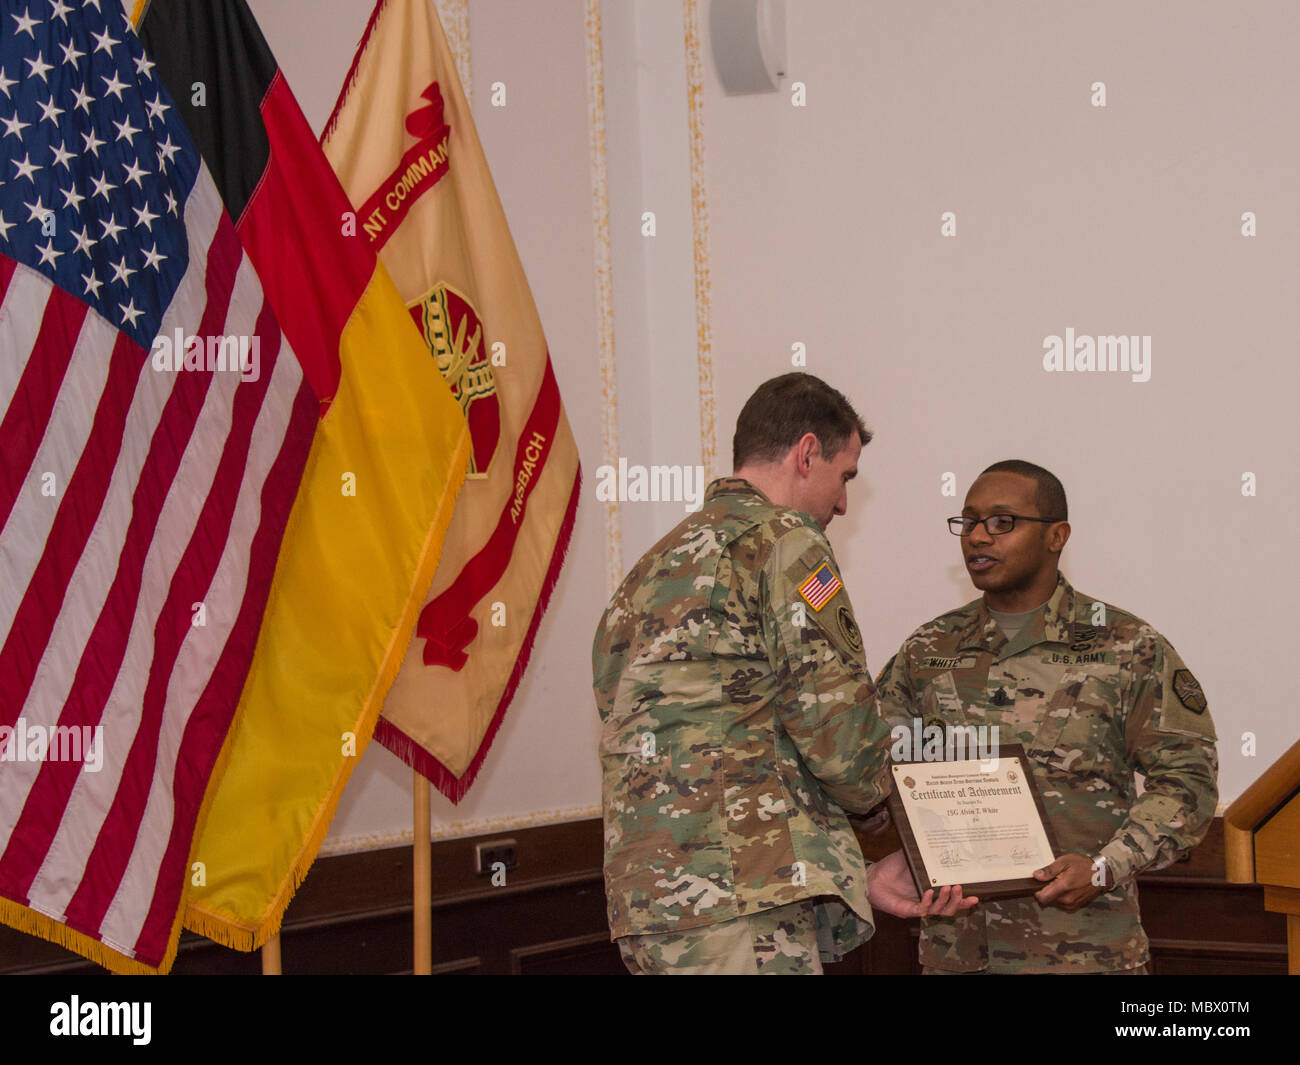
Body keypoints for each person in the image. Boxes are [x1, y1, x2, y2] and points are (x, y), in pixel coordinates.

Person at [592, 373, 974, 974]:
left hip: (652, 897)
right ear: (806, 453)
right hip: (745, 887)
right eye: (845, 475)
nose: (844, 503)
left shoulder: (649, 568)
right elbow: (836, 732)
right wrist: (919, 823)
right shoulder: (783, 539)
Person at [875, 459, 1219, 974]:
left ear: (1057, 536)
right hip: (957, 953)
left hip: (1084, 954)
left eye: (1002, 521)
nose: (978, 537)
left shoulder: (1126, 647)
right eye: (968, 522)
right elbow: (875, 769)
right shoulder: (927, 649)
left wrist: (1107, 867)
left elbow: (1189, 781)